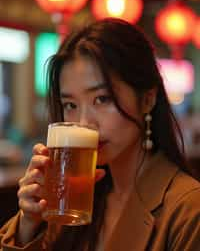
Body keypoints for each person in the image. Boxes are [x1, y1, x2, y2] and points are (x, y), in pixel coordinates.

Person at [1, 18, 200, 251]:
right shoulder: (74, 200)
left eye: (102, 99)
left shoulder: (188, 209)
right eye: (70, 105)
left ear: (147, 99)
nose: (85, 123)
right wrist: (28, 225)